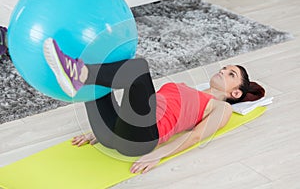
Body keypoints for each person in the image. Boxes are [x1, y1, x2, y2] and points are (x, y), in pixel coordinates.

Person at [43, 38, 265, 174]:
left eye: (231, 74)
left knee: (138, 68)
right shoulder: (187, 87)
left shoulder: (221, 107)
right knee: (100, 88)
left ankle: (79, 73)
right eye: (225, 68)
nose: (223, 71)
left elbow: (196, 137)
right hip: (117, 133)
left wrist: (159, 155)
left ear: (235, 92)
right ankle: (74, 73)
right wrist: (97, 132)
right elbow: (138, 107)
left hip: (141, 139)